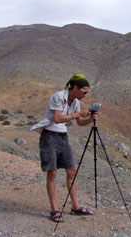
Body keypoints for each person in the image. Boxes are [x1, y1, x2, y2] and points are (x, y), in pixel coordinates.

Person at [31, 74, 97, 223]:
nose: (85, 95)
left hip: (63, 137)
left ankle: (75, 206)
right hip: (49, 136)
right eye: (84, 92)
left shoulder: (76, 102)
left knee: (71, 171)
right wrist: (76, 114)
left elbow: (79, 122)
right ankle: (54, 210)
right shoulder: (58, 97)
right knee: (52, 173)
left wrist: (89, 120)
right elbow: (57, 118)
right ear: (75, 88)